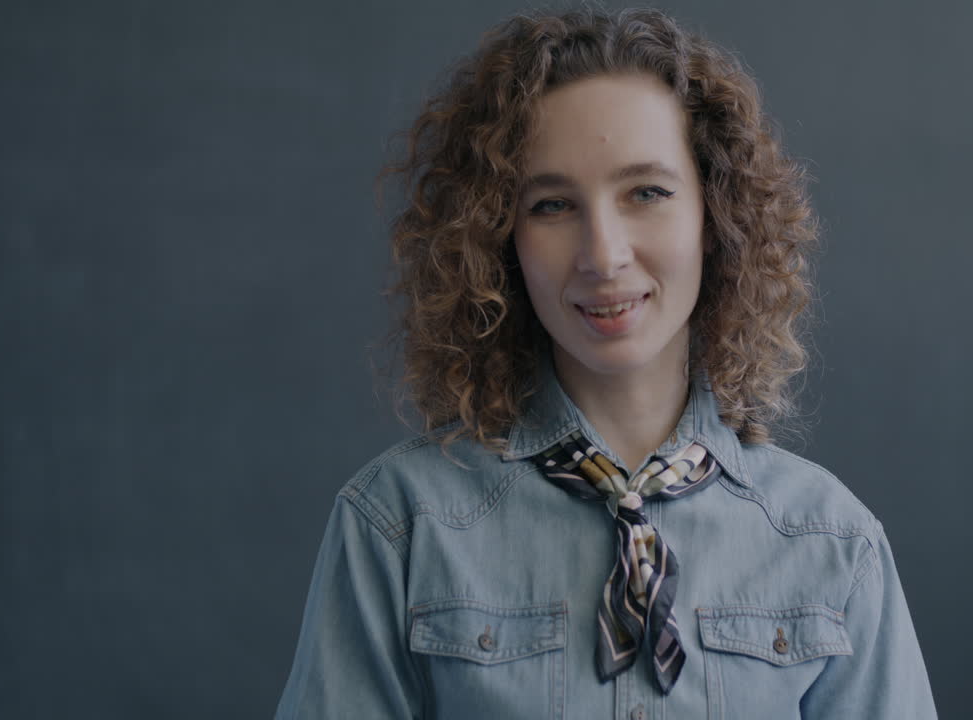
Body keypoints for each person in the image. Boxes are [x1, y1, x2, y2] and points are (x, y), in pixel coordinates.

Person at [276, 6, 936, 718]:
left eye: (646, 193)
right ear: (502, 239)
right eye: (553, 205)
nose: (604, 254)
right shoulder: (399, 527)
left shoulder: (831, 543)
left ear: (717, 218)